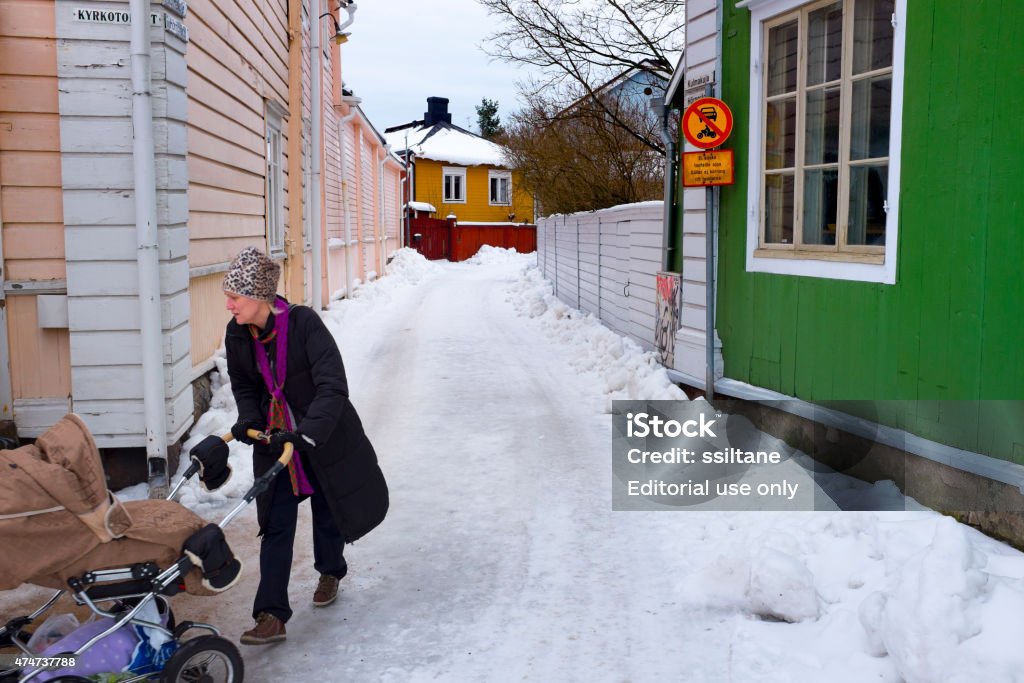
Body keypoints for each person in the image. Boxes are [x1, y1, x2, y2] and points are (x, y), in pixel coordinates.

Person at [217, 246, 389, 645]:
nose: (229, 305)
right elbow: (244, 384)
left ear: (259, 296)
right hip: (275, 441)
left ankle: (330, 570)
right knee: (275, 524)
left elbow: (333, 385)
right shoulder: (237, 333)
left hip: (319, 435)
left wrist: (309, 432)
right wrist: (249, 420)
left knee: (328, 505)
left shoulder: (304, 324)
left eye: (235, 297)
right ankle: (271, 615)